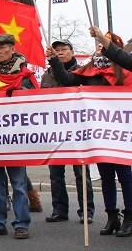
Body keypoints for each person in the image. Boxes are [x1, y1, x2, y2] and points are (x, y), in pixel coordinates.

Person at [48, 31, 132, 237]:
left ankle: (129, 216)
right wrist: (54, 61)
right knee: (105, 176)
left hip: (119, 134)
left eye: (107, 45)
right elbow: (67, 80)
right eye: (99, 45)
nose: (100, 48)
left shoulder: (126, 73)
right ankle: (112, 216)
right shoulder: (89, 70)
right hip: (98, 134)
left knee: (125, 176)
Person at [0, 33, 37, 239]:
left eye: (2, 48)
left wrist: (21, 92)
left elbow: (36, 103)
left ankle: (21, 223)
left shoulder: (25, 76)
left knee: (19, 185)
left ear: (12, 49)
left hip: (16, 140)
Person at [41, 39, 95, 224]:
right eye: (57, 50)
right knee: (56, 174)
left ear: (72, 52)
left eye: (64, 49)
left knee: (81, 173)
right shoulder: (47, 75)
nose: (60, 53)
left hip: (77, 131)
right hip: (55, 132)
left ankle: (86, 211)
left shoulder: (83, 72)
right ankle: (59, 210)